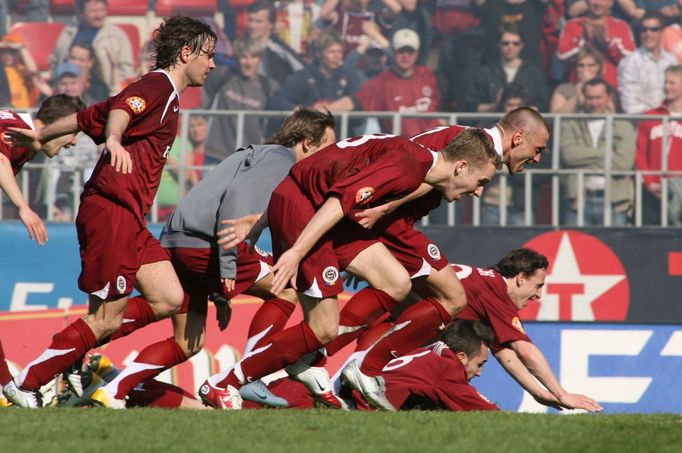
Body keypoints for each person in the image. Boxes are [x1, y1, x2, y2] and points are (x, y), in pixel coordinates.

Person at [200, 128, 500, 410]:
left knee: (396, 282)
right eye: (481, 181)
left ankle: (316, 359)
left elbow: (321, 172)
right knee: (324, 328)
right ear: (460, 167)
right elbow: (336, 199)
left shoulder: (415, 158)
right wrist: (296, 251)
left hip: (321, 212)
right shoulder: (409, 166)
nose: (477, 192)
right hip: (308, 215)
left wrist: (261, 218)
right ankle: (224, 382)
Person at [2, 15, 218, 409]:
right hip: (111, 210)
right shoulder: (157, 86)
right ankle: (28, 381)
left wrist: (41, 134)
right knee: (106, 319)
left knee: (169, 296)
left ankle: (73, 347)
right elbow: (119, 113)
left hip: (130, 216)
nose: (213, 64)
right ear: (186, 53)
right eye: (208, 55)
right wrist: (115, 139)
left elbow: (93, 114)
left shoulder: (160, 91)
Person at [88, 108, 336, 409]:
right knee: (286, 287)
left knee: (188, 341)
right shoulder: (281, 160)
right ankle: (249, 376)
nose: (329, 158)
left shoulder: (259, 154)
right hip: (206, 244)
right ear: (307, 143)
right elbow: (237, 201)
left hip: (179, 242)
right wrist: (228, 263)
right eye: (327, 147)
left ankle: (110, 386)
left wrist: (218, 288)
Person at [248, 320, 499, 411]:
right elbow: (480, 410)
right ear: (462, 356)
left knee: (223, 411)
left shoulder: (427, 353)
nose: (480, 372)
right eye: (480, 364)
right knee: (217, 413)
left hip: (302, 391)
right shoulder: (445, 367)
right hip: (316, 401)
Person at [0, 94, 85, 245]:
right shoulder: (18, 129)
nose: (74, 142)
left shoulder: (16, 126)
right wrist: (23, 207)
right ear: (60, 124)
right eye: (74, 133)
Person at [560, 77, 636, 226]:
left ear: (608, 98)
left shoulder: (623, 125)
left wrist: (584, 161)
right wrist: (607, 153)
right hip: (579, 200)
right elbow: (569, 156)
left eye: (598, 98)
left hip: (614, 201)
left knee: (615, 248)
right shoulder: (571, 123)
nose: (593, 103)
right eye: (589, 98)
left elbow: (623, 164)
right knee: (576, 248)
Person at [351, 28, 441, 137]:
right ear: (393, 52)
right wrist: (328, 108)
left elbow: (441, 107)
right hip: (401, 149)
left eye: (410, 51)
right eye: (401, 51)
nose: (405, 55)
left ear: (416, 53)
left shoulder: (428, 76)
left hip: (431, 145)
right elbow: (354, 102)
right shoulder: (381, 82)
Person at [203, 38, 276, 165]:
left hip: (249, 158)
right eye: (244, 57)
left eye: (253, 57)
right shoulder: (223, 75)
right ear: (237, 58)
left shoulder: (268, 86)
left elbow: (275, 122)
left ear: (260, 60)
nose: (248, 62)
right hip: (216, 155)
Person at [49, 0, 135, 94]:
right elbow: (55, 62)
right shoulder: (68, 33)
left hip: (103, 91)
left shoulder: (117, 36)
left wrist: (113, 90)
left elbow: (127, 71)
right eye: (93, 11)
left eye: (102, 10)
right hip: (68, 90)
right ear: (82, 12)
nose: (99, 15)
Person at [636, 64, 682, 225]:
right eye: (665, 82)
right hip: (654, 191)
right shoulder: (650, 116)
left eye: (672, 83)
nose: (666, 87)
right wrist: (650, 183)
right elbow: (640, 153)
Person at [466, 25, 548, 113]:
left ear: (522, 45)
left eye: (515, 43)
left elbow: (543, 106)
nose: (510, 47)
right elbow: (472, 107)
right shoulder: (485, 72)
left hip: (525, 125)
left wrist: (522, 109)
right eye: (506, 43)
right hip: (492, 124)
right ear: (498, 44)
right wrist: (496, 105)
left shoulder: (533, 74)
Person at [558, 0, 636, 89]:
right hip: (578, 88)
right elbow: (563, 56)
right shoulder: (572, 25)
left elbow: (631, 61)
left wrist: (609, 43)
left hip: (612, 90)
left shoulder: (621, 26)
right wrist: (584, 39)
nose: (598, 3)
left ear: (611, 3)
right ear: (587, 2)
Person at [618, 11, 678, 114]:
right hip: (643, 122)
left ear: (662, 32)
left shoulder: (672, 61)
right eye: (644, 30)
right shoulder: (629, 63)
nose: (648, 34)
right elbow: (630, 105)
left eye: (654, 29)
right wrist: (656, 117)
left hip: (671, 121)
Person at [246, 0, 305, 87]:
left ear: (270, 24)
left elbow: (305, 72)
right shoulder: (243, 45)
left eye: (258, 21)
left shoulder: (277, 49)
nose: (252, 26)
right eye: (250, 20)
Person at [0, 31, 49, 108]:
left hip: (24, 113)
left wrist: (22, 48)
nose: (8, 55)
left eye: (13, 51)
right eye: (4, 51)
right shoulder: (2, 70)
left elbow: (34, 73)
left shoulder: (24, 70)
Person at [550, 46, 604, 113]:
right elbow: (555, 117)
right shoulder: (564, 89)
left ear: (598, 67)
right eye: (581, 65)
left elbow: (611, 112)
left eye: (591, 65)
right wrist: (577, 96)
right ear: (575, 67)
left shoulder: (606, 88)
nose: (585, 69)